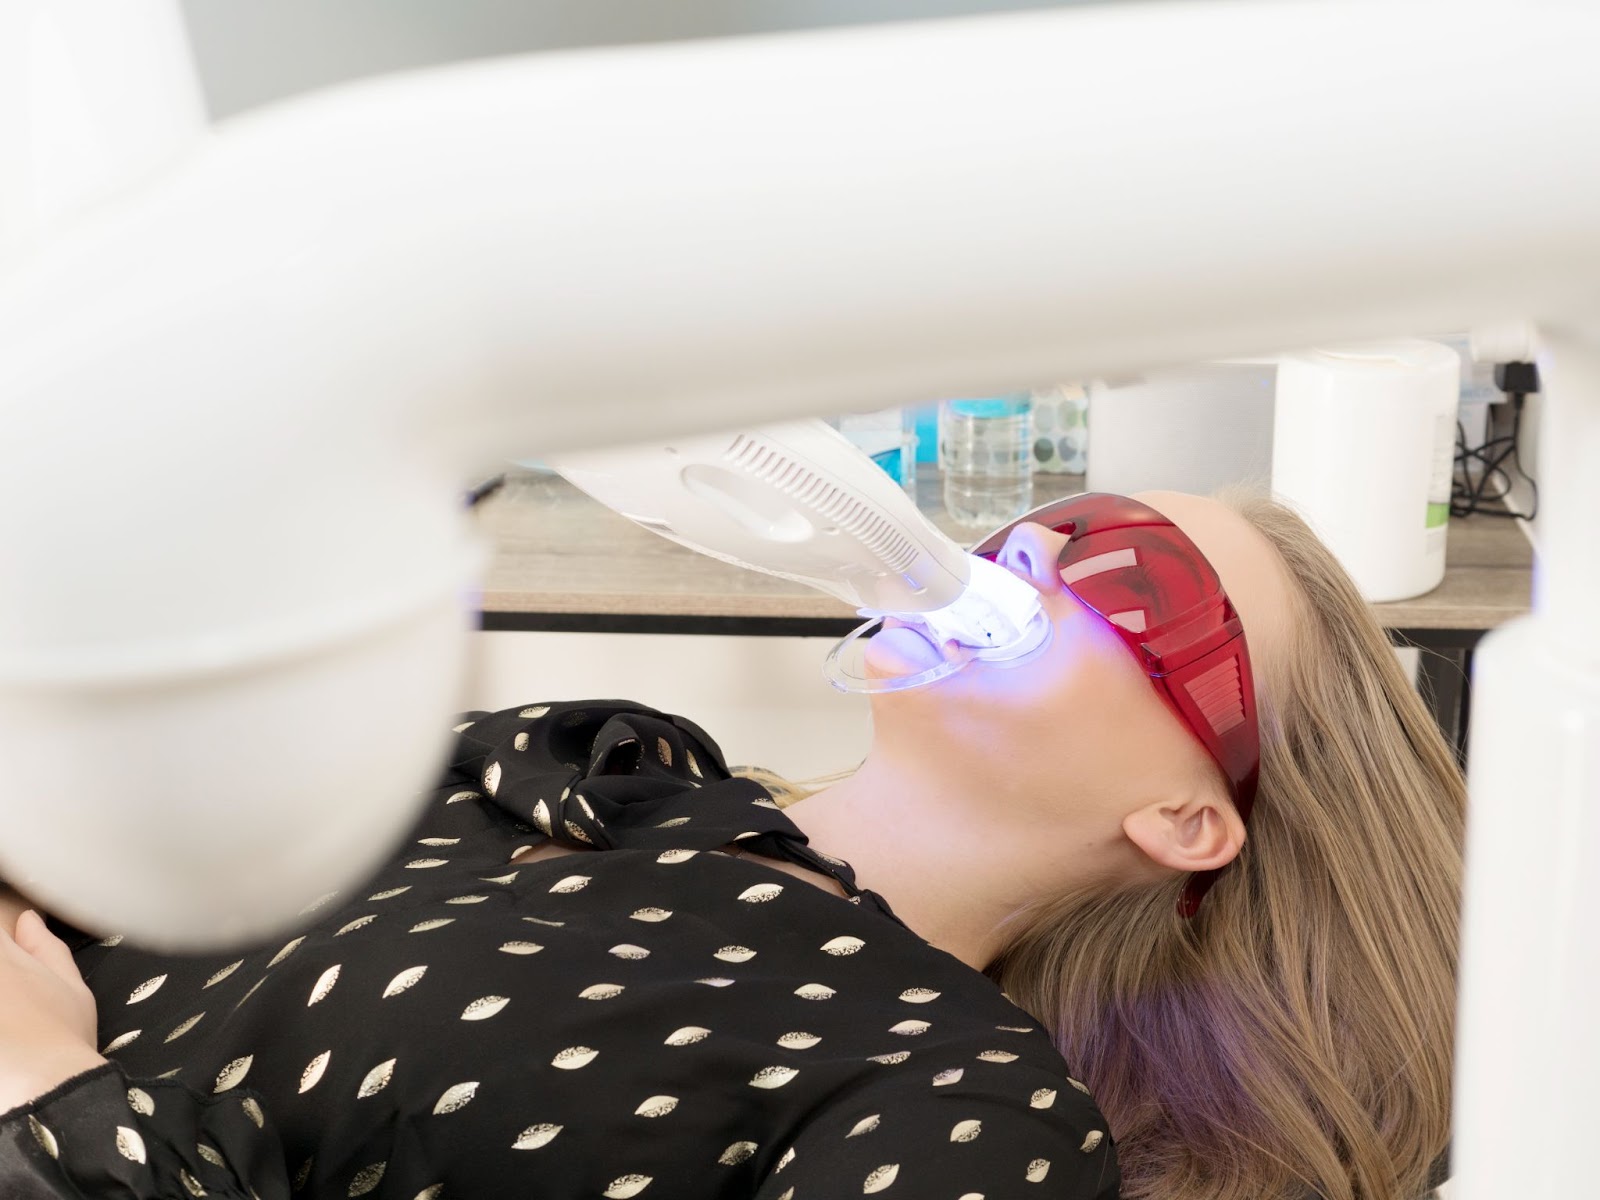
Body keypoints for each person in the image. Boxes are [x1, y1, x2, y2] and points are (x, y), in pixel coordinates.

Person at [0, 489, 1461, 1200]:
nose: (1024, 561)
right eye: (1046, 526)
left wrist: (60, 1110)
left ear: (1184, 819)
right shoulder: (597, 765)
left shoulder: (965, 1109)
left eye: (1130, 581)